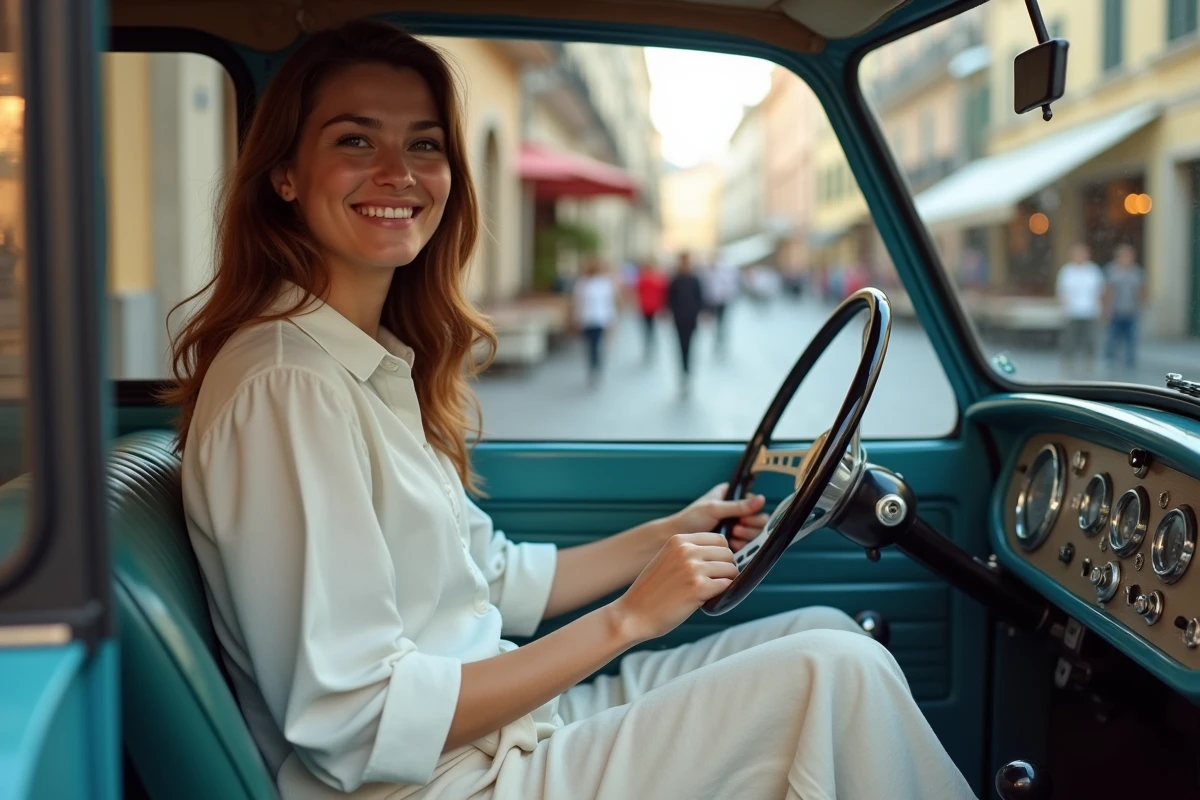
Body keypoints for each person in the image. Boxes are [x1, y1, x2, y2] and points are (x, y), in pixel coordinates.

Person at [168, 19, 975, 800]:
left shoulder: (363, 362)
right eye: (355, 140)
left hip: (500, 735)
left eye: (424, 143)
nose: (399, 172)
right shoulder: (287, 384)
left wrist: (669, 534)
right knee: (837, 674)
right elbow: (354, 722)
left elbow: (491, 579)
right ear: (284, 173)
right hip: (434, 783)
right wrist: (626, 620)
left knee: (825, 632)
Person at [1055, 243, 1106, 378]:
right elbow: (1062, 292)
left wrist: (1102, 310)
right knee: (1070, 342)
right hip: (1072, 313)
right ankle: (1068, 368)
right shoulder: (1067, 271)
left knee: (1090, 342)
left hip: (1090, 312)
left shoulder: (1093, 270)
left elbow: (1100, 291)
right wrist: (1063, 310)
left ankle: (1088, 368)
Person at [666, 251, 705, 398]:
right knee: (681, 345)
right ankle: (683, 371)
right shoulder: (675, 279)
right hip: (678, 318)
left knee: (689, 345)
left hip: (691, 318)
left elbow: (700, 298)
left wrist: (702, 313)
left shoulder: (694, 279)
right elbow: (670, 298)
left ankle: (688, 371)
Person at [571, 259, 616, 386]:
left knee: (596, 345)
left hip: (600, 319)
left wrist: (611, 322)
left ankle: (596, 367)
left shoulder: (604, 283)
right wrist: (576, 318)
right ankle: (592, 366)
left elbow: (608, 304)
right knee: (589, 346)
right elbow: (578, 303)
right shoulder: (582, 283)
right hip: (586, 319)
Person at [1103, 243, 1146, 374]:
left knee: (1131, 341)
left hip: (1131, 312)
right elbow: (1107, 291)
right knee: (1112, 338)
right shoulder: (1112, 270)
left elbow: (1141, 291)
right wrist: (1105, 309)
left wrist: (1143, 305)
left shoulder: (1136, 272)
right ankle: (1110, 363)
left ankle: (1129, 365)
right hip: (1116, 312)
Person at [702, 259, 739, 355]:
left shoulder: (723, 275)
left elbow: (729, 289)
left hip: (722, 303)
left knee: (721, 324)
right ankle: (717, 342)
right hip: (713, 303)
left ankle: (720, 342)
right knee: (715, 324)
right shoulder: (708, 275)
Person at [634, 260, 667, 361]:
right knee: (651, 327)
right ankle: (652, 345)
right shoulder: (656, 278)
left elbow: (638, 292)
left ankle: (649, 345)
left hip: (646, 307)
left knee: (648, 327)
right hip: (652, 306)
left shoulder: (643, 278)